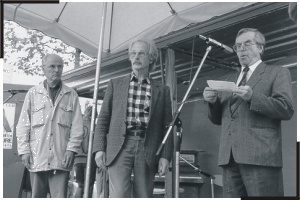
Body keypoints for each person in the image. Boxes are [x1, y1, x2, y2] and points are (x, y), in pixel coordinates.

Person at [203, 28, 294, 197]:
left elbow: (286, 109)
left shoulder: (277, 73)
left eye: (247, 44)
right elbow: (218, 119)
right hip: (229, 159)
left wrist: (253, 97)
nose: (241, 49)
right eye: (238, 46)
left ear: (261, 48)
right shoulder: (230, 79)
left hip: (261, 158)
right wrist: (213, 102)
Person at [92, 38, 174, 198]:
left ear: (151, 58)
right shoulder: (115, 84)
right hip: (119, 146)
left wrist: (165, 156)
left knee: (143, 194)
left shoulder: (162, 90)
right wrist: (99, 148)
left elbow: (168, 127)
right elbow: (102, 120)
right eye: (133, 53)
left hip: (147, 145)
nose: (136, 57)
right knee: (119, 195)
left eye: (141, 53)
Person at [16, 54, 83, 198]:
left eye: (60, 66)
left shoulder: (71, 95)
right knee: (37, 196)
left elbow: (78, 127)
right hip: (37, 156)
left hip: (61, 157)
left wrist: (71, 150)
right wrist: (24, 151)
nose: (56, 70)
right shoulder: (33, 93)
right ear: (43, 69)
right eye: (52, 66)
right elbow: (23, 125)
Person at [73, 106, 97, 198]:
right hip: (89, 160)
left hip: (77, 160)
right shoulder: (94, 127)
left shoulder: (79, 125)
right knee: (89, 186)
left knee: (80, 185)